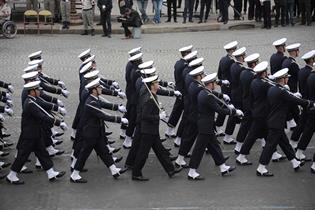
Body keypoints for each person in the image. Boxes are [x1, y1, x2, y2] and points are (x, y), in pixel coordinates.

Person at [6, 81, 67, 185]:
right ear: (32, 91)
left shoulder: (33, 100)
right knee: (22, 156)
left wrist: (56, 108)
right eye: (38, 90)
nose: (39, 91)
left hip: (35, 133)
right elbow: (42, 115)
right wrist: (58, 122)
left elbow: (43, 105)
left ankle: (50, 172)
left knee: (42, 153)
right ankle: (11, 175)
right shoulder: (30, 103)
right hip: (30, 135)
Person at [257, 68, 313, 177]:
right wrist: (310, 103)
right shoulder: (281, 91)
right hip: (276, 123)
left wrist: (291, 94)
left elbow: (287, 96)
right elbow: (297, 101)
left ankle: (295, 162)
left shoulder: (273, 88)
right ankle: (261, 167)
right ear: (283, 79)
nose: (287, 79)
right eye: (286, 78)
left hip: (274, 121)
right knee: (270, 146)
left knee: (285, 144)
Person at [70, 78, 128, 183]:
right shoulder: (91, 102)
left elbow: (103, 105)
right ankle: (74, 175)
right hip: (90, 134)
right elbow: (103, 115)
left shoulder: (94, 99)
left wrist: (116, 107)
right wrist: (119, 119)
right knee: (84, 155)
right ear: (93, 90)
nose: (101, 88)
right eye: (99, 87)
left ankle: (114, 170)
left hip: (95, 132)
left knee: (104, 152)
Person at [132, 74, 182, 181]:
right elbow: (145, 116)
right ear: (152, 85)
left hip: (152, 130)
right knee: (143, 153)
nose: (158, 84)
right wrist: (158, 116)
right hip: (148, 130)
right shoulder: (150, 98)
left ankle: (170, 170)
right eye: (156, 83)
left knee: (160, 152)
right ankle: (136, 173)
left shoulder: (152, 95)